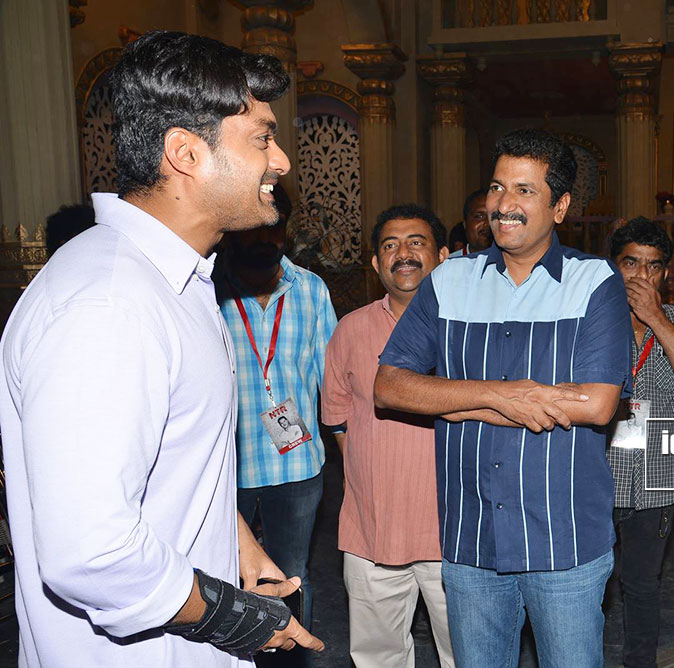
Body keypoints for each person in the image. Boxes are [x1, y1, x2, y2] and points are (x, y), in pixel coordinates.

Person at [0, 31, 323, 666]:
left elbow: (172, 458)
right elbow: (91, 552)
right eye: (262, 139)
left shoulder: (176, 279)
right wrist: (234, 618)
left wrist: (237, 543)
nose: (281, 161)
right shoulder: (108, 305)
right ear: (185, 153)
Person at [374, 128, 632, 668]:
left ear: (560, 206)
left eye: (524, 190)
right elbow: (390, 386)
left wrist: (451, 401)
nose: (503, 204)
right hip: (472, 539)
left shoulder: (593, 281)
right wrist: (502, 396)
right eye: (497, 187)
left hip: (564, 539)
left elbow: (596, 404)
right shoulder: (450, 280)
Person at [322, 203, 455, 668]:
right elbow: (337, 415)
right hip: (372, 530)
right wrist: (366, 474)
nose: (404, 254)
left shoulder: (470, 330)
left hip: (456, 532)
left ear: (443, 256)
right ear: (377, 263)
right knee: (378, 658)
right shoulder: (351, 329)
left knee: (470, 653)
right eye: (391, 246)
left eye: (417, 243)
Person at [215, 179, 337, 662]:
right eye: (254, 227)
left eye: (275, 228)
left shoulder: (311, 289)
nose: (265, 238)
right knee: (223, 579)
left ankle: (292, 659)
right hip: (226, 472)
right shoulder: (207, 290)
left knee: (292, 575)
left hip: (298, 466)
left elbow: (332, 380)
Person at [606, 217, 674, 668]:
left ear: (666, 275)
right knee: (584, 584)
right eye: (630, 263)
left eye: (653, 266)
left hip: (656, 480)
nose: (641, 275)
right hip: (596, 478)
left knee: (642, 585)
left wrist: (656, 318)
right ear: (613, 267)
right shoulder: (591, 320)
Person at [458, 188, 492, 255]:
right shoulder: (450, 261)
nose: (487, 223)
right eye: (479, 216)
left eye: (493, 216)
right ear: (465, 223)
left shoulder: (511, 261)